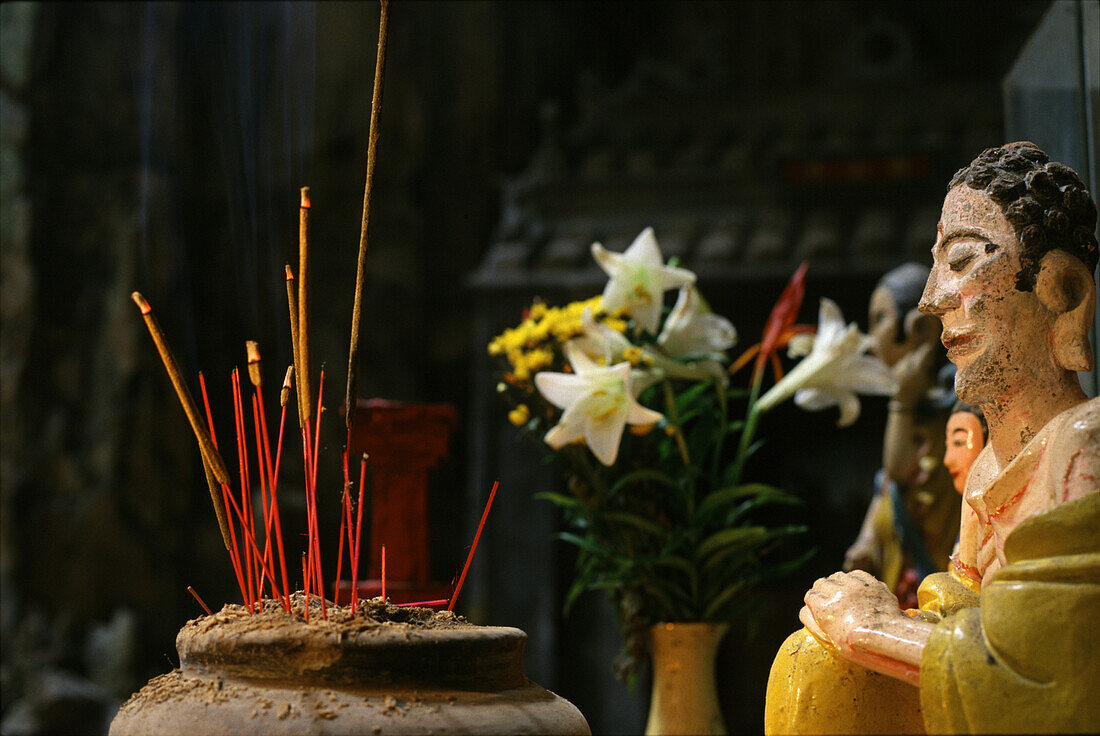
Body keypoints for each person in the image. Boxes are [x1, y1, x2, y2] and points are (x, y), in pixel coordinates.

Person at [765, 142, 1100, 735]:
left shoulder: (1083, 445)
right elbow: (973, 617)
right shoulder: (986, 468)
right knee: (811, 660)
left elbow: (1049, 676)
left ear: (1062, 292)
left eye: (964, 260)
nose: (931, 299)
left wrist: (870, 628)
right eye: (937, 264)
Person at [842, 263, 958, 609]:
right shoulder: (917, 408)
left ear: (918, 327)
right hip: (905, 567)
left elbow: (899, 471)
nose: (870, 337)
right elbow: (887, 487)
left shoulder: (953, 408)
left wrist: (902, 403)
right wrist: (865, 541)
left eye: (879, 320)